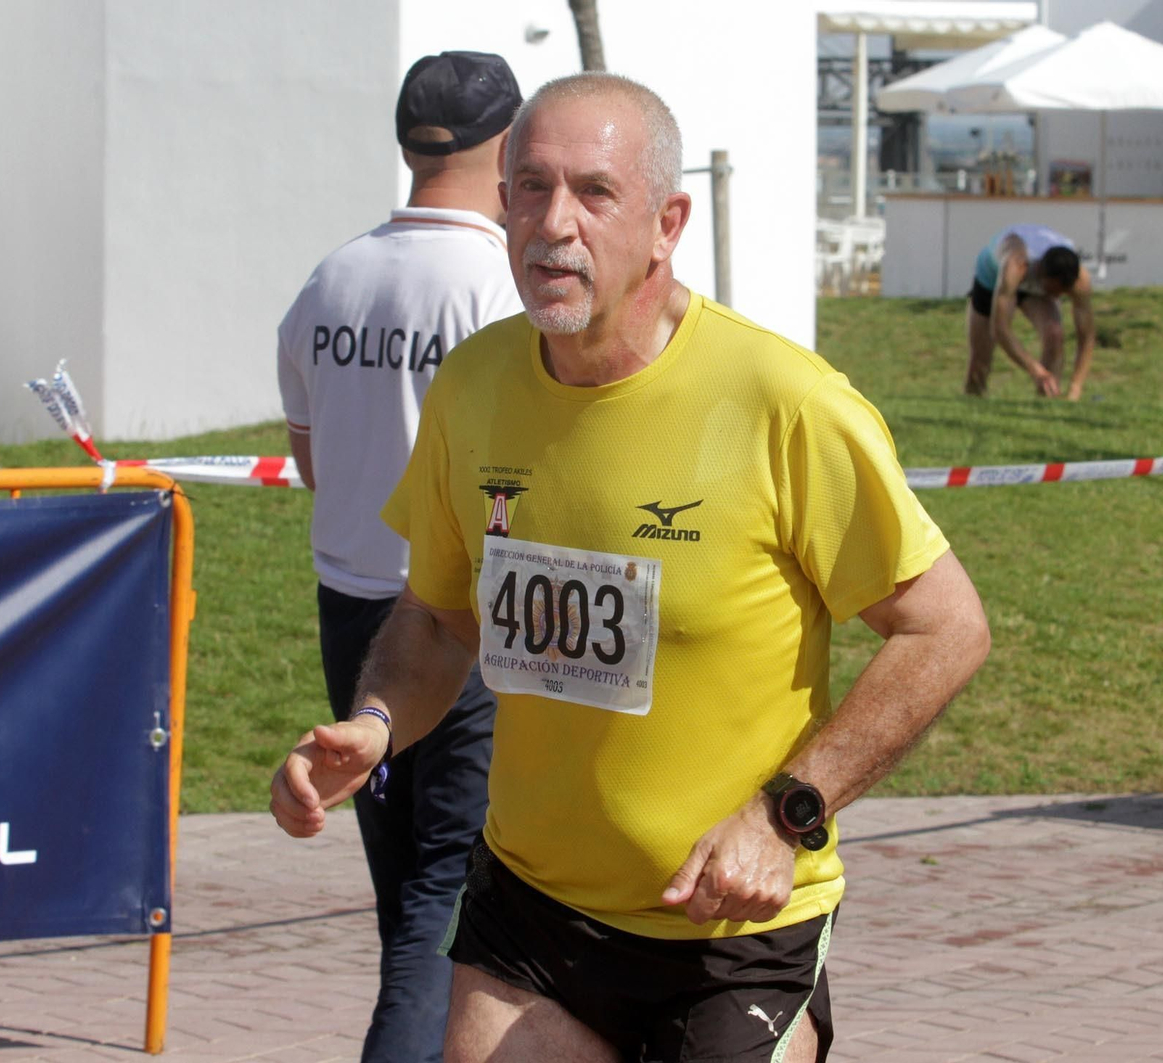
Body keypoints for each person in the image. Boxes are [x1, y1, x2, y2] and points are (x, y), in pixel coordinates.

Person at [271, 72, 991, 1063]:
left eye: (593, 192)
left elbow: (946, 627)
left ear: (667, 221)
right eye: (529, 187)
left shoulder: (782, 402)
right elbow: (438, 619)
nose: (551, 224)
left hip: (729, 936)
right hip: (531, 914)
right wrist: (376, 722)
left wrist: (786, 812)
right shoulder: (473, 387)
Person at [274, 50, 524, 1063]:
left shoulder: (332, 276)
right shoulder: (499, 286)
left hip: (353, 607)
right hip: (458, 619)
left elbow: (308, 457)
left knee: (408, 898)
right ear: (503, 145)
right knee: (447, 899)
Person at [964, 223, 1096, 400]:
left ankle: (1047, 401)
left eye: (1062, 293)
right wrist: (1035, 369)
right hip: (992, 279)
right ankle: (974, 400)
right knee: (980, 360)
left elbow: (1087, 337)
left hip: (1035, 281)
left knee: (1054, 334)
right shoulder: (1016, 264)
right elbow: (1000, 329)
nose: (1057, 298)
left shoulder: (1080, 280)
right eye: (1053, 292)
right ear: (1041, 273)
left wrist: (1075, 387)